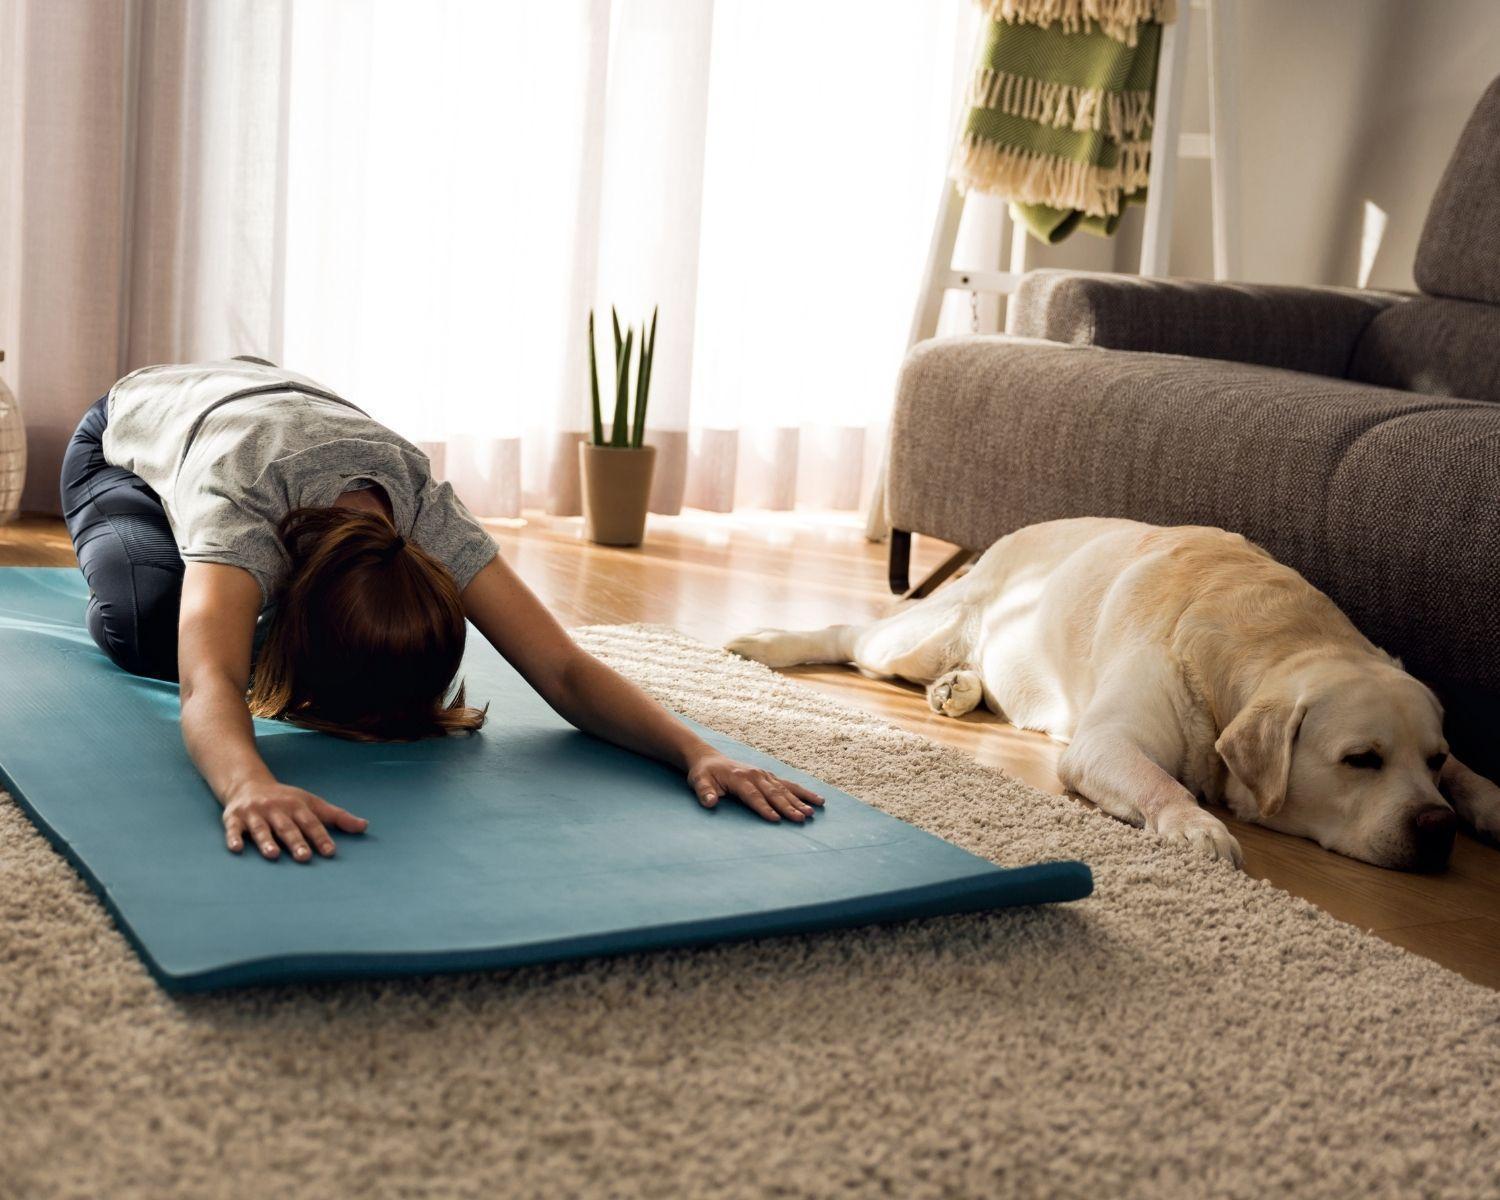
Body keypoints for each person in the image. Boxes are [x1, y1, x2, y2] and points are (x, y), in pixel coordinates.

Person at [59, 357, 821, 863]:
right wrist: (248, 783)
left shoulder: (425, 511)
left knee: (220, 613)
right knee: (149, 628)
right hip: (130, 434)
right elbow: (211, 684)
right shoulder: (239, 509)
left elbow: (561, 666)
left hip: (264, 400)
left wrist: (698, 754)